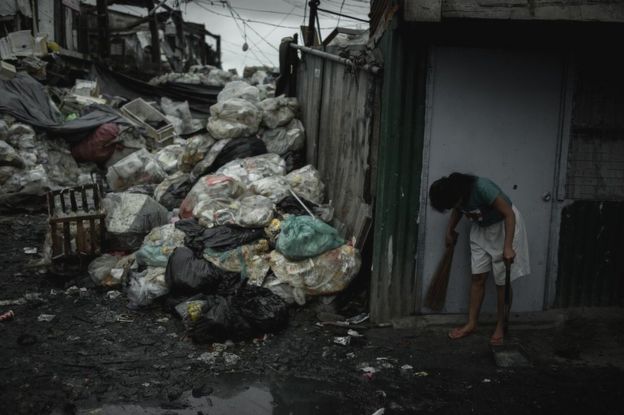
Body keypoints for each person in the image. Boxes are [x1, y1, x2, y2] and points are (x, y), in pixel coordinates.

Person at [429, 173, 530, 345]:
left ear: (459, 195)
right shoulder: (454, 193)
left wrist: (507, 247)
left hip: (504, 227)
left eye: (454, 202)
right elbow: (457, 209)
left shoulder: (482, 187)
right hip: (481, 229)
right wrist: (450, 229)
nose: (455, 206)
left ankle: (501, 325)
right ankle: (471, 323)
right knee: (477, 277)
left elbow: (509, 215)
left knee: (501, 283)